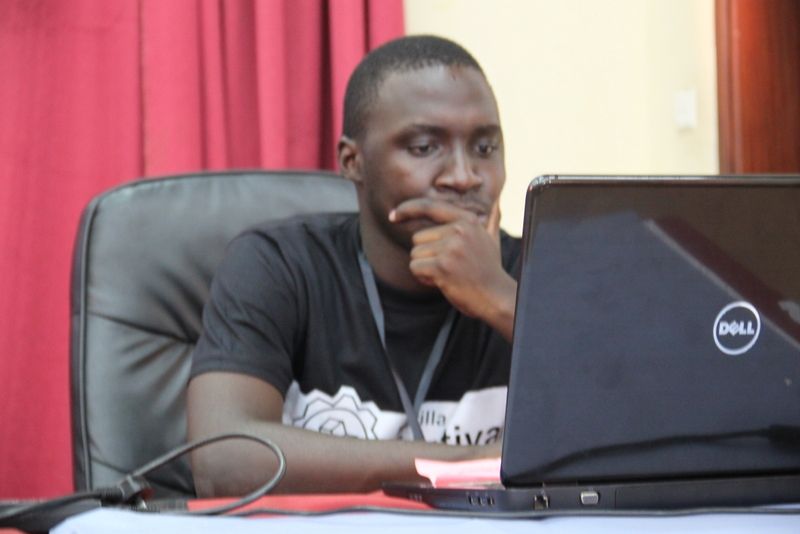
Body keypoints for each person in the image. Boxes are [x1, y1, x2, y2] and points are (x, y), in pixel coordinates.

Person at [187, 35, 521, 497]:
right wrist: (474, 463)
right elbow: (223, 462)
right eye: (425, 147)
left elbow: (638, 438)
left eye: (485, 148)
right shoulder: (279, 265)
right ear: (352, 161)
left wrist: (505, 300)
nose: (464, 176)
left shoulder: (538, 273)